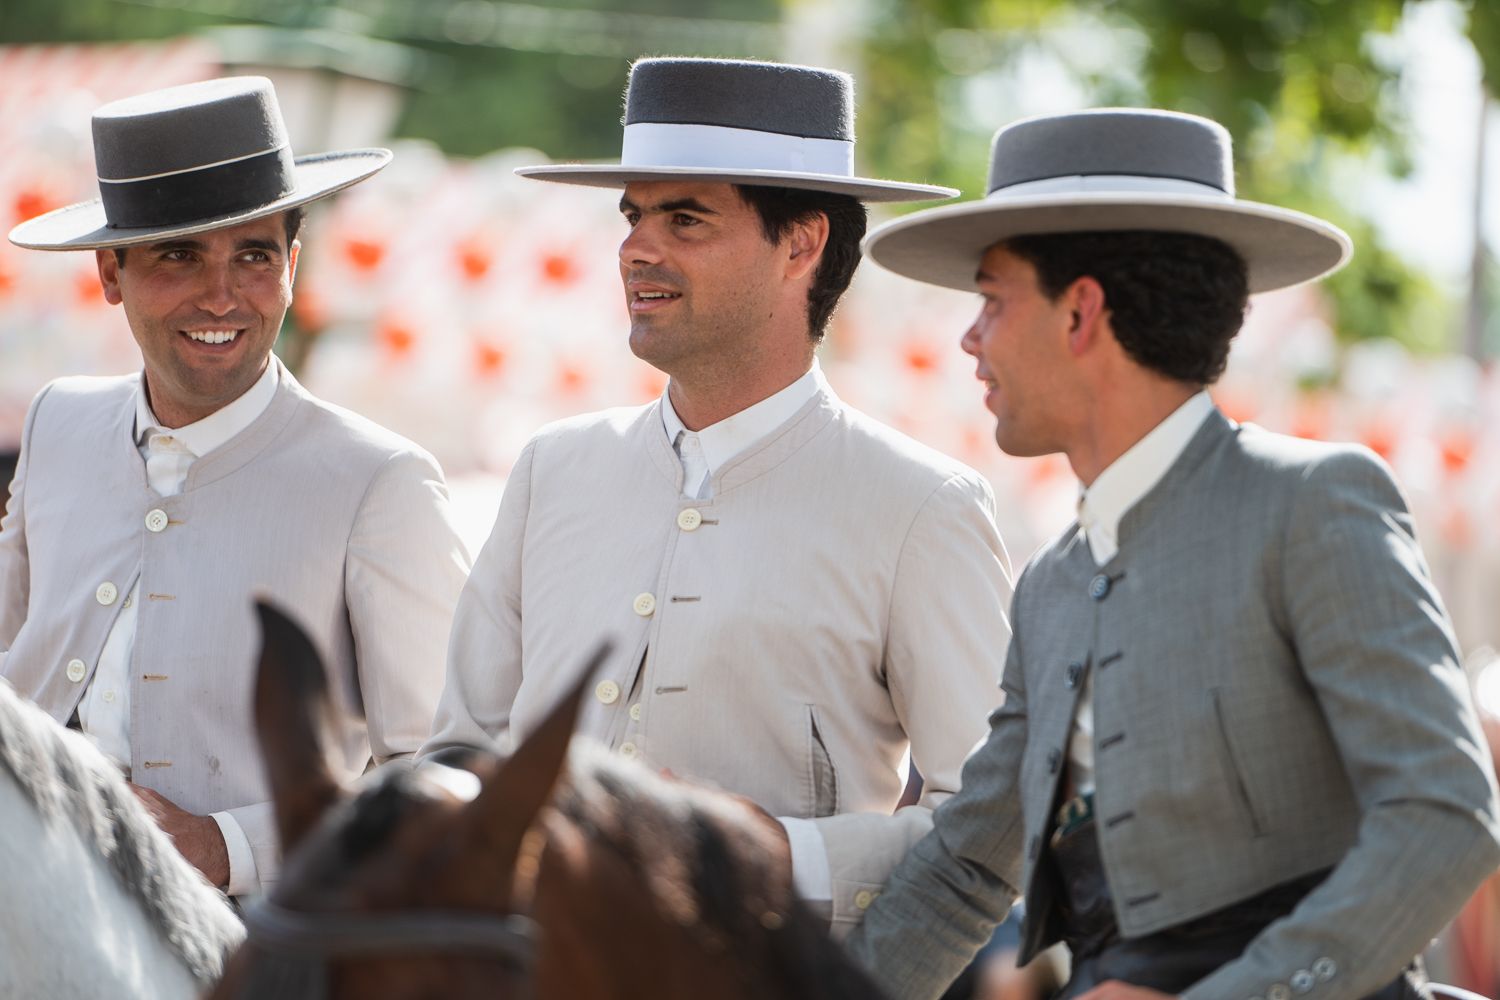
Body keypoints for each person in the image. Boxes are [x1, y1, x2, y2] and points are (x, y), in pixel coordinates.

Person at [843, 108, 1500, 999]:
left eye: (992, 301)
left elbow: (1445, 818)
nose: (970, 338)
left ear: (1081, 312)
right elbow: (966, 866)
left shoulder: (1311, 502)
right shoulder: (1049, 583)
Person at [421, 56, 1014, 930]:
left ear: (802, 245)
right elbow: (461, 751)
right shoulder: (553, 468)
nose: (636, 248)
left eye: (685, 218)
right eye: (633, 216)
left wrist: (770, 854)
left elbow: (985, 827)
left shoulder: (923, 508)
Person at [1, 77, 470, 898]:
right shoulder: (56, 423)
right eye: (178, 255)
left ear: (292, 266)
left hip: (250, 946)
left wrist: (229, 848)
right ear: (111, 273)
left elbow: (448, 772)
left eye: (253, 255)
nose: (222, 295)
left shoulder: (378, 481)